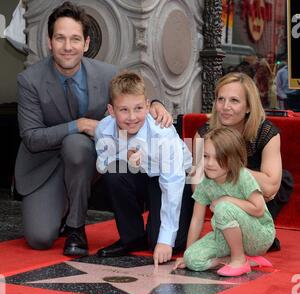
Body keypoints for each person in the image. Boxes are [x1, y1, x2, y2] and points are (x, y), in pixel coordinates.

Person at [14, 1, 172, 257]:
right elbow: (31, 138)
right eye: (60, 38)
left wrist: (155, 104)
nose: (68, 47)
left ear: (86, 44)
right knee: (40, 238)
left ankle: (76, 228)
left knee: (76, 146)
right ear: (49, 42)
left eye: (75, 39)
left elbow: (131, 97)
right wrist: (79, 124)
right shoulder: (29, 80)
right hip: (43, 163)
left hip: (88, 158)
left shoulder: (107, 74)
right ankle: (62, 206)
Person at [94, 71, 194, 267]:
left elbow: (172, 183)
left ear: (148, 106)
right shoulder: (103, 129)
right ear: (111, 110)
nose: (132, 117)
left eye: (138, 108)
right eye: (123, 110)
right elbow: (102, 164)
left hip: (177, 180)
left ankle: (164, 230)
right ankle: (132, 237)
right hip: (140, 177)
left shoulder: (162, 132)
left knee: (170, 242)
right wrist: (125, 156)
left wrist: (165, 240)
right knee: (114, 174)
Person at [192, 72, 294, 252]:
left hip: (257, 203)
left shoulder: (266, 132)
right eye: (221, 99)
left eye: (234, 101)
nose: (225, 107)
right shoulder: (203, 134)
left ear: (248, 107)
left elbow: (271, 187)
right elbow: (197, 185)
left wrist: (227, 167)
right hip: (221, 197)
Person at [174, 127, 275, 277]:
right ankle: (238, 259)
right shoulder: (205, 182)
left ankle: (239, 259)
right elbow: (197, 219)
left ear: (233, 158)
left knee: (223, 207)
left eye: (218, 157)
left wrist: (227, 200)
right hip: (225, 237)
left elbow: (259, 209)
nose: (209, 163)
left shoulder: (242, 176)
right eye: (206, 156)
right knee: (192, 260)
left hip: (258, 235)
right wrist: (187, 253)